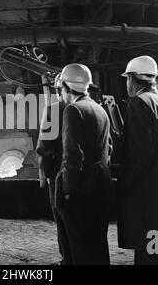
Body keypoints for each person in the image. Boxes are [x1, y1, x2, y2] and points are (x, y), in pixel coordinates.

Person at [55, 63, 114, 265]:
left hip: (81, 191)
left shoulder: (73, 110)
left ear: (65, 85)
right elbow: (109, 149)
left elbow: (72, 156)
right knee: (97, 246)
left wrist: (68, 190)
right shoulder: (100, 109)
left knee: (78, 250)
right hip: (101, 186)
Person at [117, 55, 158, 265]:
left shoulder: (139, 103)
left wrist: (123, 185)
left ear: (132, 79)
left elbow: (139, 154)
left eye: (127, 79)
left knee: (146, 254)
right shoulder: (156, 100)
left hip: (146, 192)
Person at [36, 74, 72, 265]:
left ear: (60, 89)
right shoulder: (96, 108)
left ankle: (67, 259)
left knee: (63, 220)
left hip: (58, 177)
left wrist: (43, 172)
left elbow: (44, 147)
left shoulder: (53, 111)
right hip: (86, 179)